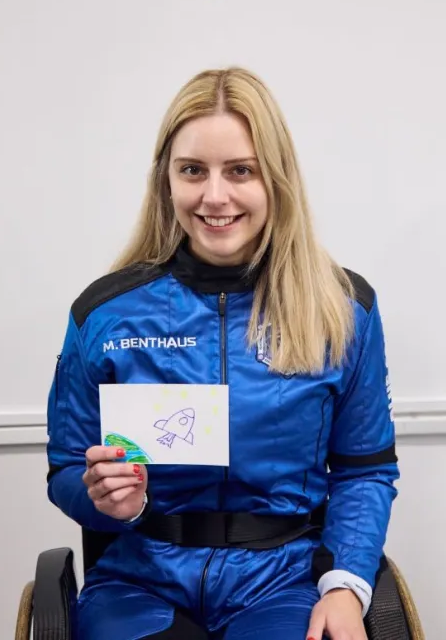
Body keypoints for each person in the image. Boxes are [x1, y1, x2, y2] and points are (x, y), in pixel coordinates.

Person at [45, 66, 400, 640]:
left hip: (284, 582)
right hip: (139, 582)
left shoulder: (343, 309)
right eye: (192, 170)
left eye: (241, 170)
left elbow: (367, 470)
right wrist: (109, 502)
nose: (215, 196)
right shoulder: (104, 315)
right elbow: (65, 468)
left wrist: (346, 585)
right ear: (166, 181)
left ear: (276, 178)